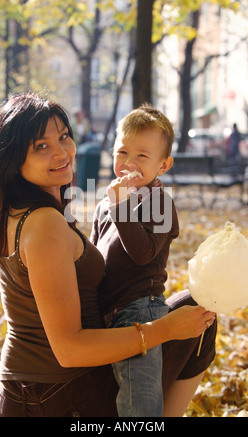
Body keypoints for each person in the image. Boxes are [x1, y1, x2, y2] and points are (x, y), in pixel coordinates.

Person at [0, 91, 216, 417]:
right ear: (14, 158)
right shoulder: (44, 224)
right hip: (56, 395)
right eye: (41, 146)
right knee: (196, 321)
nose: (61, 151)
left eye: (64, 136)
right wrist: (165, 329)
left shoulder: (20, 211)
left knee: (198, 310)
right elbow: (68, 350)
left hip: (39, 388)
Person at [90, 104, 180, 416]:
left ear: (163, 164)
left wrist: (121, 207)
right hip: (105, 310)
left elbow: (142, 254)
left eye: (142, 156)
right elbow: (94, 253)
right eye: (122, 152)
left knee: (137, 401)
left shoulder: (161, 204)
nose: (128, 163)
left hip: (139, 310)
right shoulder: (108, 203)